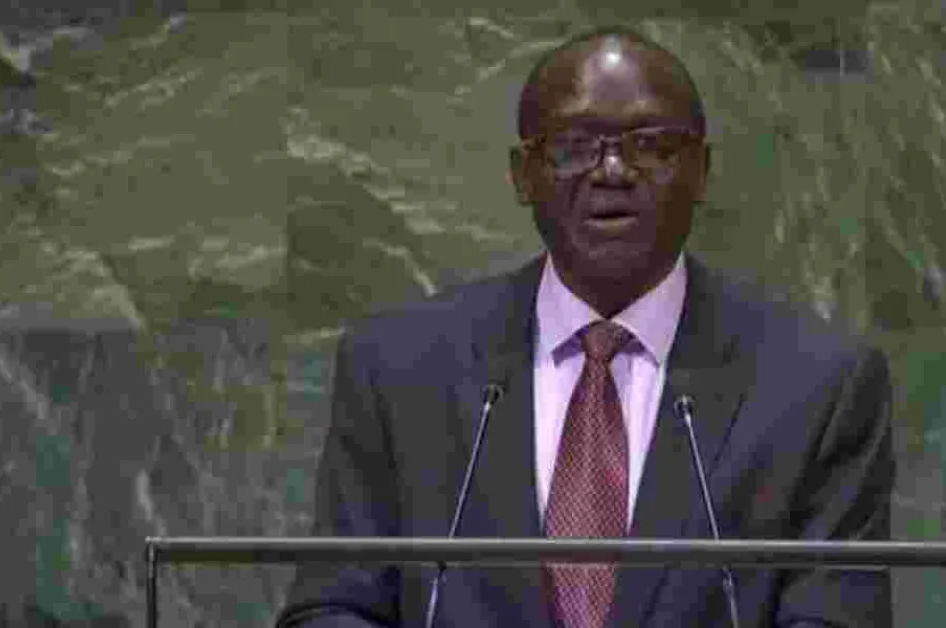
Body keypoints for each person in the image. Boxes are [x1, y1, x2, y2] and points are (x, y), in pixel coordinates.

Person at [277, 26, 894, 628]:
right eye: (574, 145)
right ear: (523, 174)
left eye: (651, 145)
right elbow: (335, 605)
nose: (613, 170)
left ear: (702, 170)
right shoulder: (398, 370)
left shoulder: (818, 387)